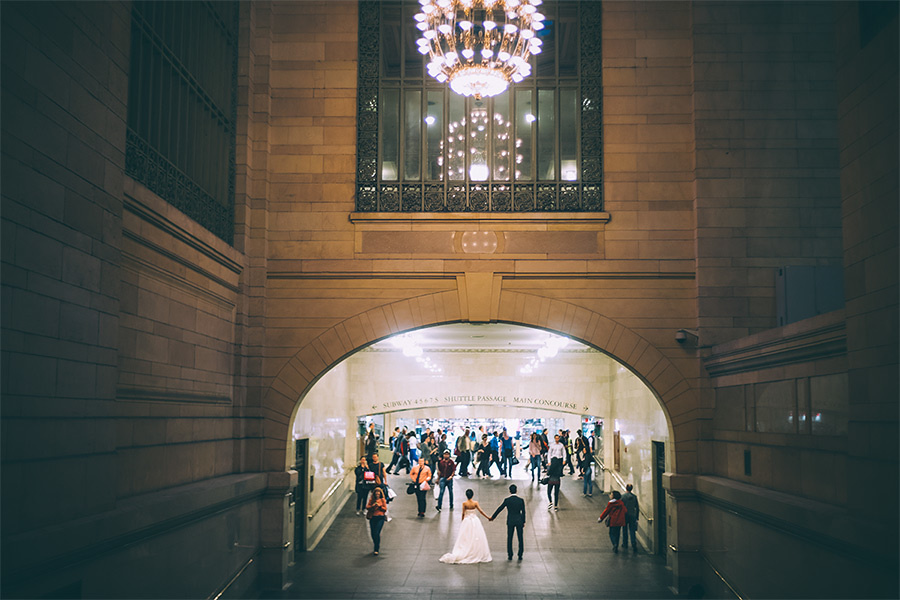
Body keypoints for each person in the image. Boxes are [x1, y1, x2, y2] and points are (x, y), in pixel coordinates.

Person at [438, 489, 492, 564]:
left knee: (466, 536)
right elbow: (481, 511)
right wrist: (488, 517)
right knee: (476, 535)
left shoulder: (464, 503)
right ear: (472, 495)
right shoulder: (475, 503)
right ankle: (475, 550)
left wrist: (462, 521)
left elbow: (463, 513)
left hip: (467, 520)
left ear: (466, 495)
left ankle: (466, 549)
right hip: (475, 520)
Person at [489, 484, 526, 561]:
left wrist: (493, 517)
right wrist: (523, 521)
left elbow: (500, 508)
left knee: (510, 538)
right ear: (516, 490)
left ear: (509, 491)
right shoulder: (521, 500)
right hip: (519, 520)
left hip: (510, 521)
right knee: (520, 538)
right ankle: (520, 554)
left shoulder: (507, 500)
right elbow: (523, 512)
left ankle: (510, 554)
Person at [366, 486, 388, 555]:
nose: (377, 495)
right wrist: (373, 506)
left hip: (380, 517)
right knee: (373, 533)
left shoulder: (382, 500)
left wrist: (379, 506)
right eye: (376, 493)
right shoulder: (371, 500)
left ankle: (376, 548)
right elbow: (367, 507)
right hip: (373, 517)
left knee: (376, 532)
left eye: (378, 493)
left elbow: (385, 509)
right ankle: (375, 543)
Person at [621, 484, 640, 553]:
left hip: (625, 515)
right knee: (632, 530)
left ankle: (625, 543)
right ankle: (633, 543)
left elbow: (620, 507)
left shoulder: (623, 497)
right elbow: (637, 508)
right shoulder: (634, 497)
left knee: (624, 530)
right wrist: (637, 516)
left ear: (626, 488)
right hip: (632, 515)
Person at [546, 446, 563, 511]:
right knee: (556, 493)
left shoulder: (551, 467)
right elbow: (561, 474)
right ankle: (555, 506)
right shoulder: (559, 467)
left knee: (549, 492)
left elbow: (548, 473)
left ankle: (550, 502)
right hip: (557, 481)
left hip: (551, 481)